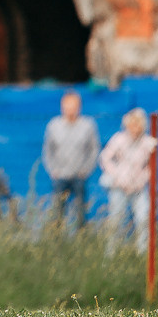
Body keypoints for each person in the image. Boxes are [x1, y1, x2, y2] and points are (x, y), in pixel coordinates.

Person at [98, 107, 158, 254]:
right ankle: (111, 253)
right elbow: (105, 158)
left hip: (138, 188)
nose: (134, 127)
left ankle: (142, 252)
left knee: (143, 218)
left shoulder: (148, 143)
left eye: (138, 124)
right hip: (119, 187)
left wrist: (142, 179)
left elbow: (151, 166)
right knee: (116, 219)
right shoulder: (118, 139)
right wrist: (117, 176)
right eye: (132, 124)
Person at [41, 90, 100, 228]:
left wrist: (86, 170)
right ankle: (56, 242)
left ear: (79, 107)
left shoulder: (88, 125)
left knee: (80, 213)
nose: (70, 109)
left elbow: (94, 149)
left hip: (79, 176)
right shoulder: (53, 125)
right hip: (59, 176)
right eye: (67, 106)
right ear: (62, 106)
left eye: (73, 106)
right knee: (57, 213)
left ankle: (81, 241)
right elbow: (48, 151)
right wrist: (53, 170)